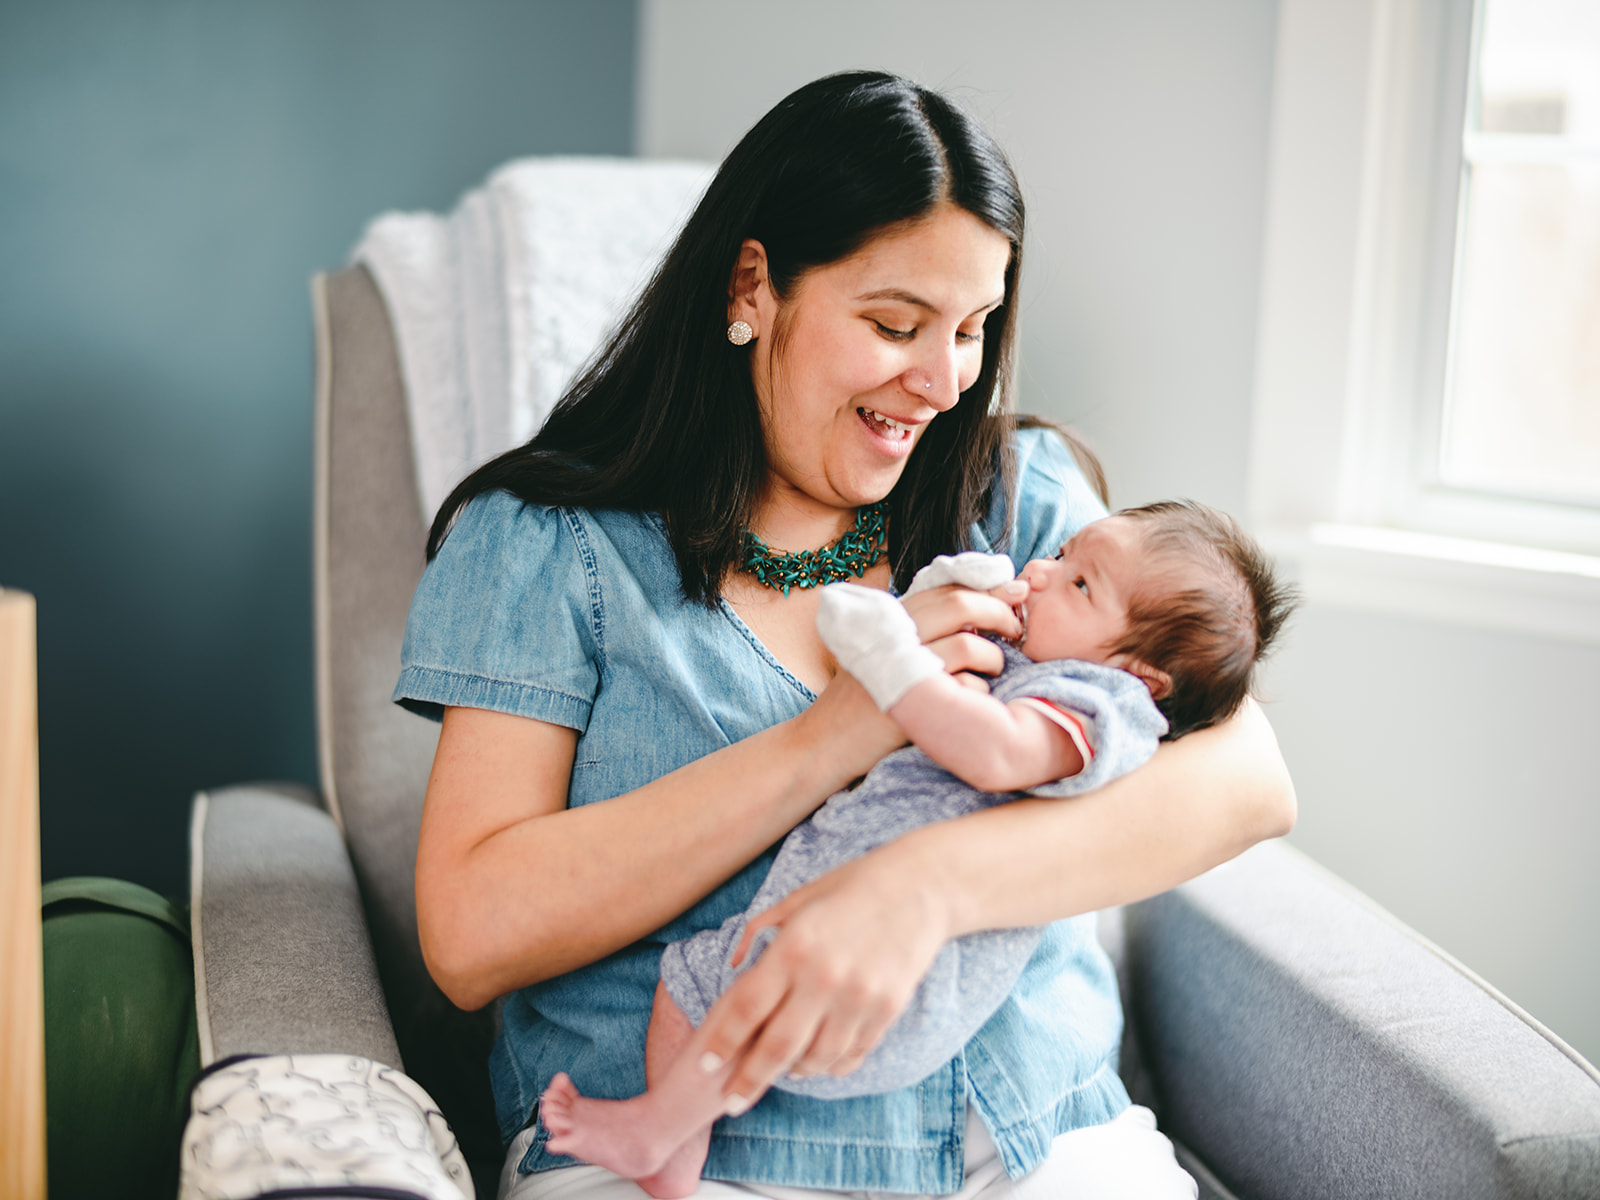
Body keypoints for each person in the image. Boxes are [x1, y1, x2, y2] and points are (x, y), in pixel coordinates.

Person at [398, 71, 1295, 1200]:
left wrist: (922, 886)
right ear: (752, 284)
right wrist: (830, 739)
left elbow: (1248, 776)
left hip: (1027, 1132)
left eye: (973, 329)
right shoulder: (547, 543)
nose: (940, 380)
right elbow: (472, 933)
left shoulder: (1019, 509)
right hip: (686, 1149)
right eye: (894, 323)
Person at [536, 502, 1295, 1196]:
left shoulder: (1100, 707)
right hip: (833, 931)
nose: (1038, 572)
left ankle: (663, 1133)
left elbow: (994, 753)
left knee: (707, 990)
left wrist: (895, 667)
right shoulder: (1049, 661)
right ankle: (671, 1144)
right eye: (1062, 553)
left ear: (1140, 675)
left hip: (906, 991)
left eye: (1078, 583)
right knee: (692, 983)